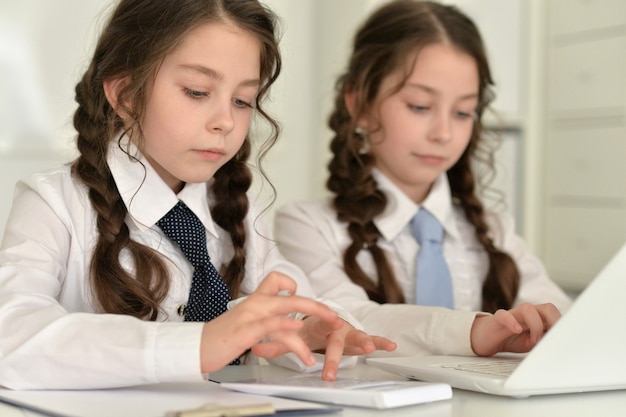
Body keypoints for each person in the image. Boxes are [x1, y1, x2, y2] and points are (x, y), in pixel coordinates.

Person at [0, 0, 397, 390]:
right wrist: (200, 344)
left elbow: (297, 305)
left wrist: (311, 332)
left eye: (242, 100)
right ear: (124, 94)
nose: (225, 121)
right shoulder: (53, 202)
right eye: (196, 91)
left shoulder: (235, 209)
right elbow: (11, 337)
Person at [275, 0, 571, 358]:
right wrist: (473, 331)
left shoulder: (495, 232)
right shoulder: (308, 227)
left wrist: (545, 324)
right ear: (360, 103)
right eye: (419, 106)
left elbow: (565, 320)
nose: (444, 132)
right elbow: (349, 320)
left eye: (463, 112)